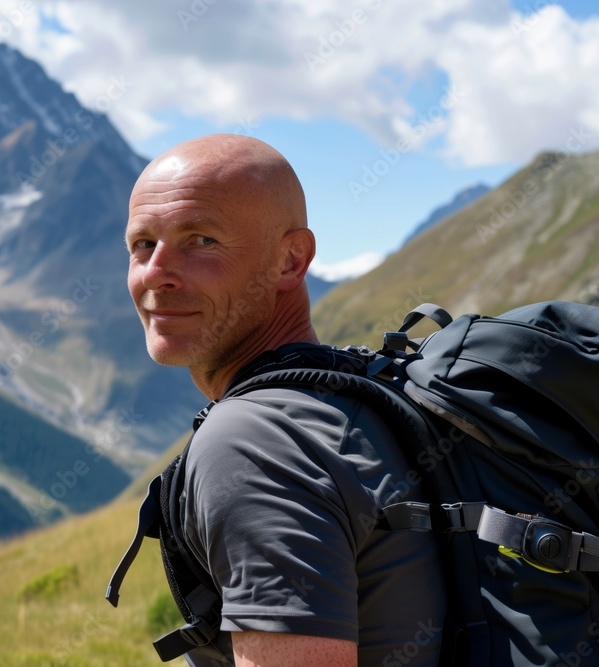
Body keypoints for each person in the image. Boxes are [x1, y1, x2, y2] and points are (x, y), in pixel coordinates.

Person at [124, 134, 447, 666]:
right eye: (142, 244)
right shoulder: (362, 395)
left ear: (291, 259)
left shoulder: (251, 449)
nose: (156, 272)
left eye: (201, 240)